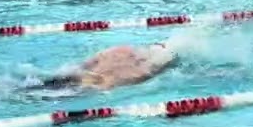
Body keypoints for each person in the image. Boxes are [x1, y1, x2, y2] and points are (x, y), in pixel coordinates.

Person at [35, 43, 176, 91]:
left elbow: (83, 64)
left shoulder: (119, 49)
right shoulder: (144, 71)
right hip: (94, 85)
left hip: (75, 76)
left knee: (33, 88)